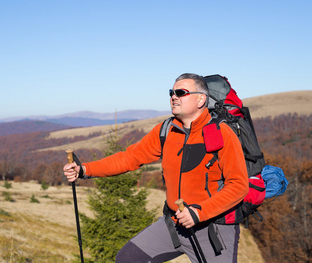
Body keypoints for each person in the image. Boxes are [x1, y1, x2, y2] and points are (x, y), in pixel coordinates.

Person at [63, 73, 249, 263]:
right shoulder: (167, 130)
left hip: (212, 229)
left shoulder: (221, 133)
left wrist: (199, 212)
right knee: (128, 258)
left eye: (181, 92)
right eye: (172, 92)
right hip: (174, 225)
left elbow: (239, 185)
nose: (174, 97)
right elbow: (130, 158)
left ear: (201, 99)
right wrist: (84, 169)